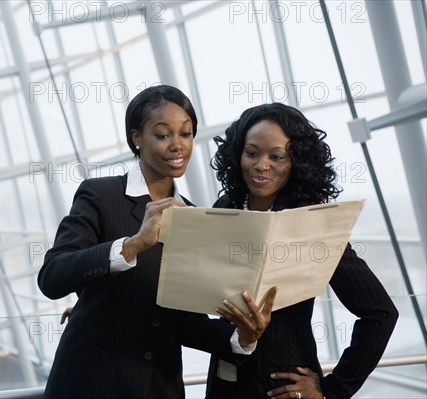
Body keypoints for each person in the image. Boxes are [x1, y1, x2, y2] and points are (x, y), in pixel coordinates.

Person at [38, 85, 278, 399]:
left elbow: (186, 321)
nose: (177, 146)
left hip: (159, 388)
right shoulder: (101, 195)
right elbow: (53, 277)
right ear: (137, 138)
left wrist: (243, 337)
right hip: (91, 382)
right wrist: (134, 244)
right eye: (163, 135)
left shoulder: (193, 216)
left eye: (186, 134)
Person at [206, 103, 399, 399]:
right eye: (252, 153)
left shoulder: (311, 224)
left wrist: (333, 390)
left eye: (276, 156)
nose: (262, 165)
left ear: (296, 161)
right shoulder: (225, 208)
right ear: (238, 153)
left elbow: (381, 313)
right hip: (222, 383)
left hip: (281, 386)